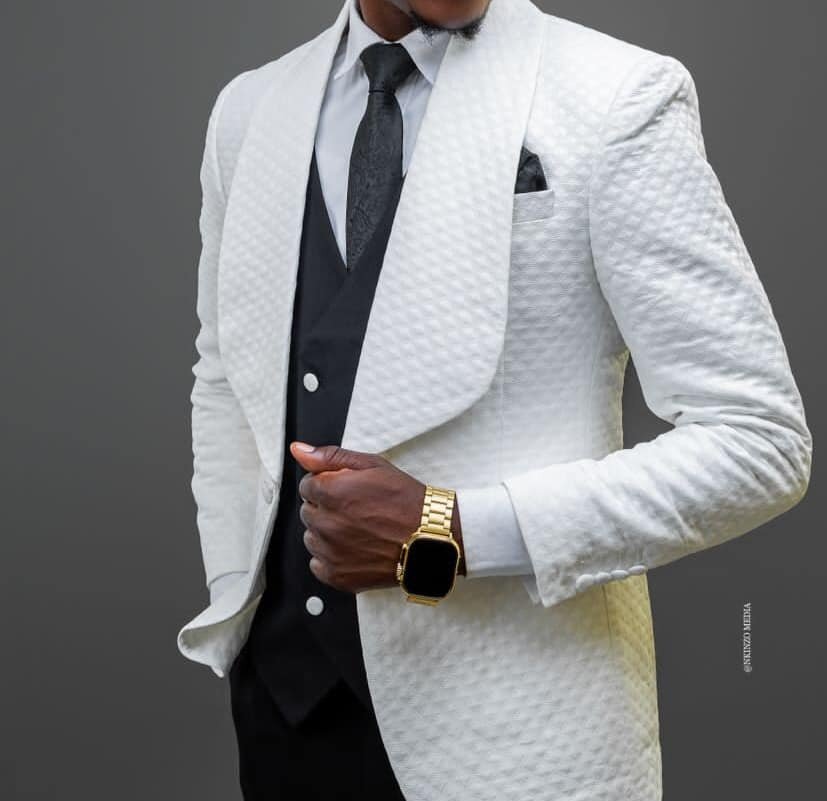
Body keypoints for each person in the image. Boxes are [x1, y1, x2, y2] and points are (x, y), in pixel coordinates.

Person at [177, 1, 812, 799]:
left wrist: (451, 531)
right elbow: (224, 372)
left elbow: (760, 442)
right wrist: (235, 587)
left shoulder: (617, 94)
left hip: (516, 740)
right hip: (285, 716)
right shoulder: (248, 113)